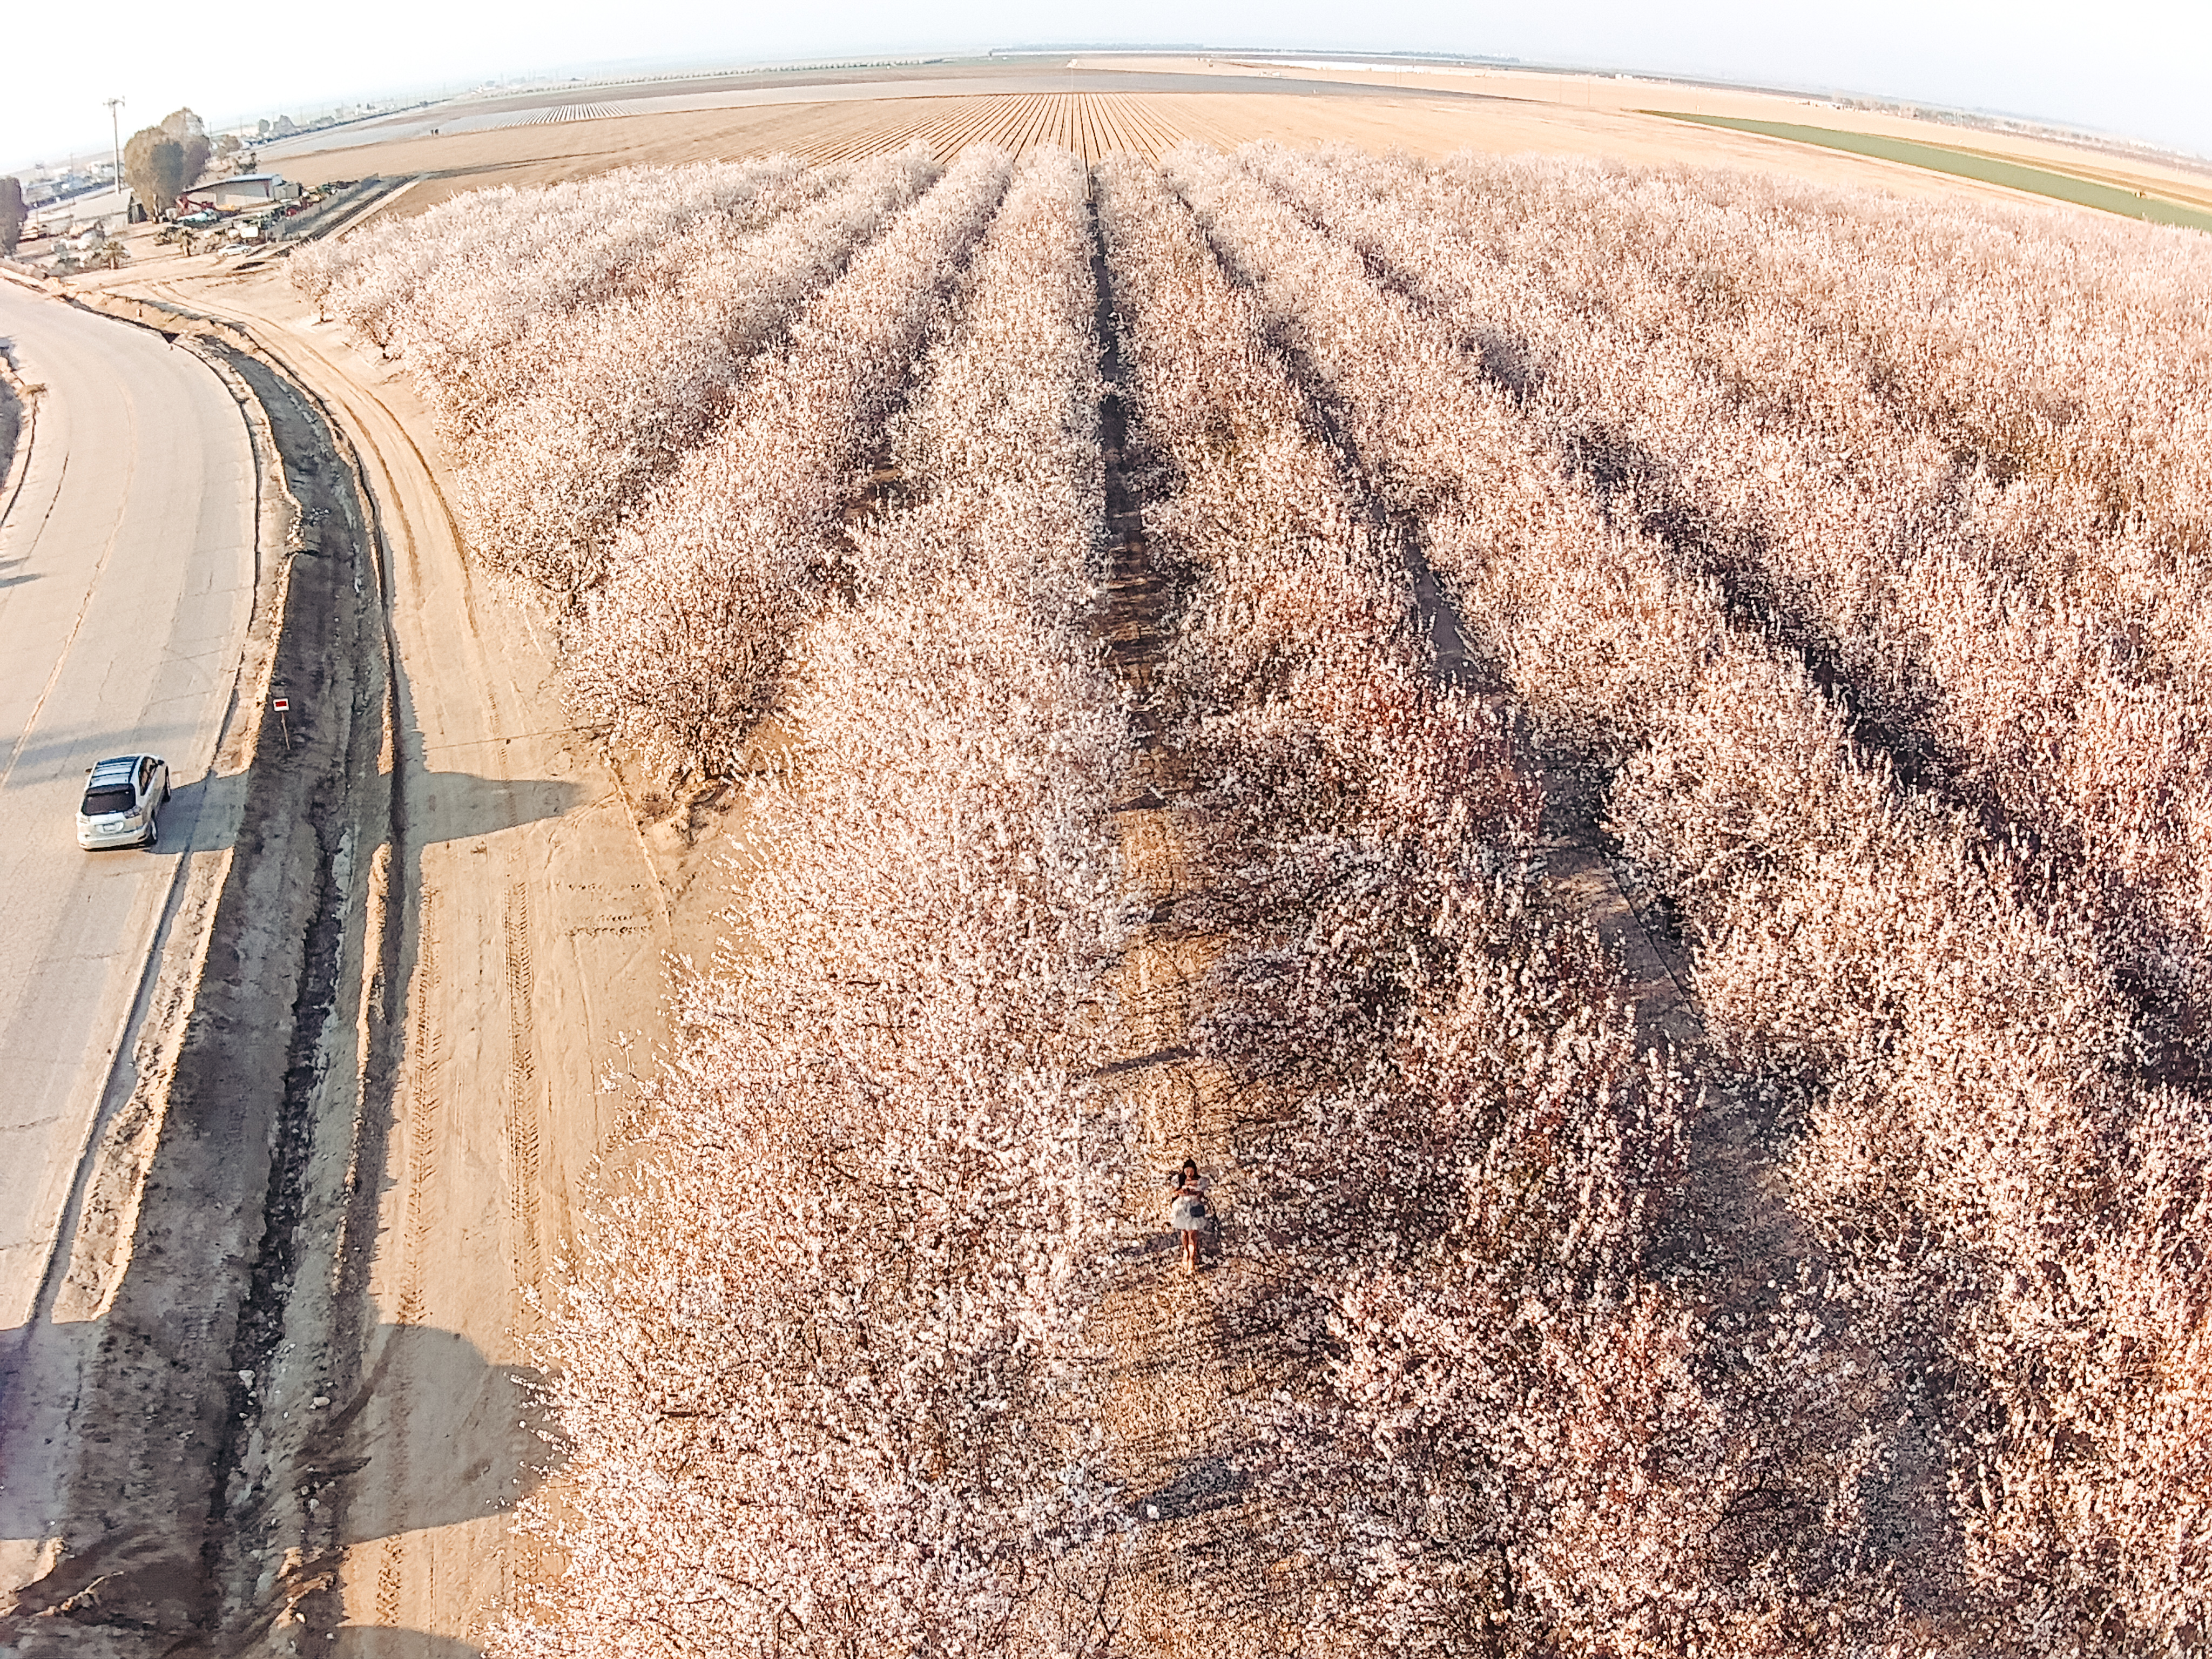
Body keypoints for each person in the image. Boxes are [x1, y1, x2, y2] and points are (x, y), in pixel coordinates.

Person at [1168, 1158, 1211, 1271]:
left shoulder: (1200, 1181)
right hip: (1182, 1208)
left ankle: (1192, 1258)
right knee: (1183, 1233)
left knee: (1193, 1235)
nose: (1189, 1173)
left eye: (1191, 1171)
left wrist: (1194, 1193)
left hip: (1194, 1208)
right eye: (1187, 1170)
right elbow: (1173, 1194)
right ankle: (1185, 1251)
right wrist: (1181, 1192)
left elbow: (1201, 1195)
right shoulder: (1180, 1180)